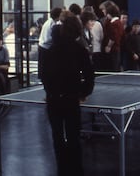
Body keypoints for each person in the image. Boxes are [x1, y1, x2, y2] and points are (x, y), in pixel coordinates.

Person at [42, 15, 95, 176]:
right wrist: (84, 93)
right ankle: (76, 170)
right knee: (73, 136)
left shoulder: (50, 50)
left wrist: (49, 92)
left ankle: (62, 170)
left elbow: (44, 75)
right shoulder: (80, 49)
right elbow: (89, 75)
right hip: (71, 98)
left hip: (54, 99)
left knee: (57, 137)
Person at [38, 7, 64, 80]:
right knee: (45, 66)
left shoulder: (52, 22)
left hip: (45, 46)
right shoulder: (51, 24)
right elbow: (48, 38)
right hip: (45, 47)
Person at [101, 2, 124, 72]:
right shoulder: (115, 22)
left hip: (114, 50)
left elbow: (113, 37)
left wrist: (108, 46)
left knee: (114, 68)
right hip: (115, 49)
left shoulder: (115, 23)